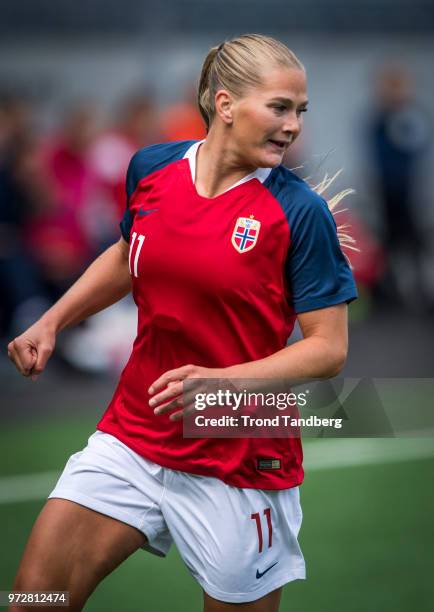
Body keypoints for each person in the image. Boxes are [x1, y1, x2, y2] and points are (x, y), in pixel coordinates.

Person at [7, 34, 357, 612]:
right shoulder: (152, 167)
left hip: (239, 456)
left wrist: (223, 383)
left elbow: (328, 350)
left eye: (300, 110)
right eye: (279, 107)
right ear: (224, 104)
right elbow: (129, 252)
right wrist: (54, 320)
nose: (293, 125)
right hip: (133, 433)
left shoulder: (300, 213)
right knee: (34, 601)